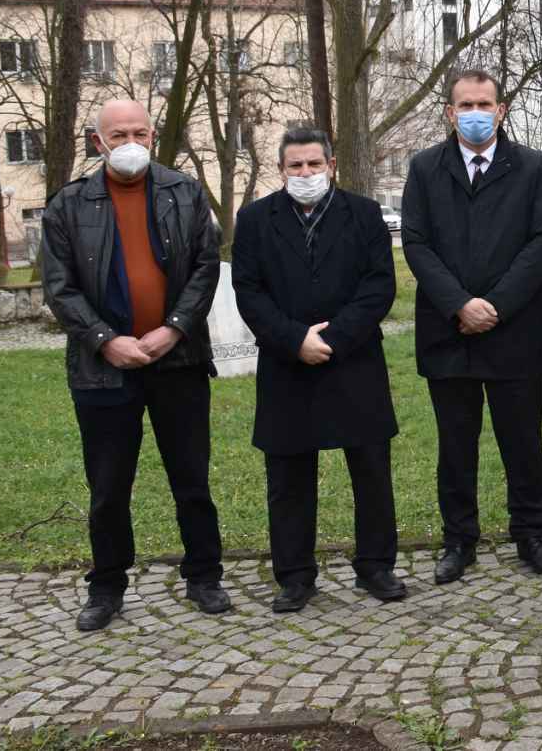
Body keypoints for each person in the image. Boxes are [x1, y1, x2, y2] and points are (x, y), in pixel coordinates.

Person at [40, 98, 229, 632]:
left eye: (139, 132)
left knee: (191, 476)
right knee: (107, 485)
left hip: (179, 360)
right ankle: (106, 587)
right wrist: (105, 340)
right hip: (103, 368)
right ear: (97, 143)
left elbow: (205, 267)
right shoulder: (67, 205)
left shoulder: (184, 192)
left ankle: (204, 575)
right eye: (117, 135)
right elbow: (60, 288)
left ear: (153, 136)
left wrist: (174, 328)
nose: (130, 144)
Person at [232, 128, 405, 612]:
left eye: (313, 164)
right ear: (281, 170)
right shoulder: (254, 220)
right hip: (287, 365)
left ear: (331, 165)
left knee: (371, 470)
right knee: (288, 477)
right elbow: (248, 291)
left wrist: (330, 340)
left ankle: (376, 566)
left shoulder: (366, 215)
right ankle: (295, 576)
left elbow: (378, 287)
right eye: (295, 166)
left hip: (354, 361)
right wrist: (294, 339)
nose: (305, 174)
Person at [402, 69, 542, 580]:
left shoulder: (532, 166)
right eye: (465, 105)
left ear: (502, 109)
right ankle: (459, 540)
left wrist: (493, 305)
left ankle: (532, 535)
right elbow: (417, 243)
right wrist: (459, 305)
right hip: (449, 332)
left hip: (513, 330)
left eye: (484, 104)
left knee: (523, 442)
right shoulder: (426, 167)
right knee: (455, 446)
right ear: (450, 112)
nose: (475, 113)